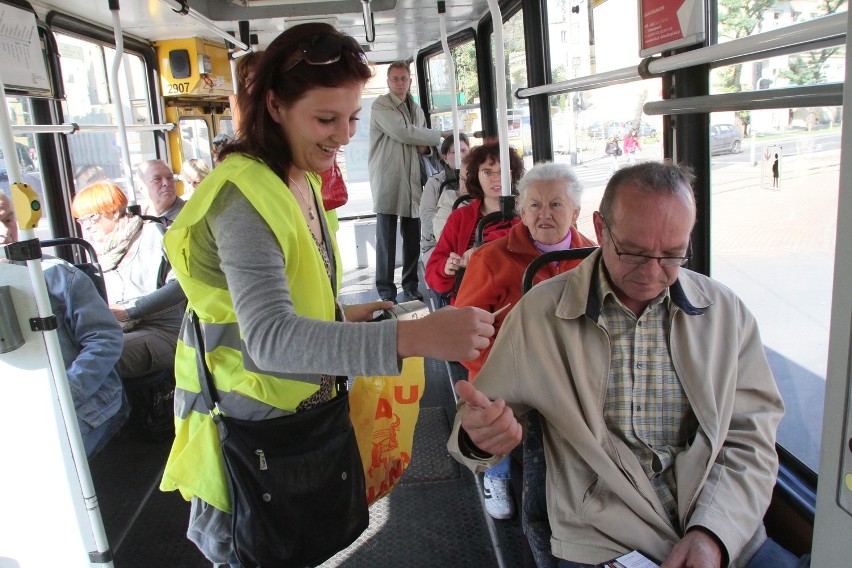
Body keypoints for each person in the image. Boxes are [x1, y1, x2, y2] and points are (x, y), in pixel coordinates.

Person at [156, 23, 495, 566]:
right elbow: (267, 337)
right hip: (251, 428)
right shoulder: (242, 198)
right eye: (325, 119)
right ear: (274, 105)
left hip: (299, 409)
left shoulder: (299, 176)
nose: (342, 136)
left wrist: (339, 313)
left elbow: (286, 291)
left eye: (352, 117)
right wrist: (413, 337)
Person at [449, 161, 801, 567]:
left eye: (672, 255)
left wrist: (713, 534)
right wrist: (479, 436)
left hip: (721, 523)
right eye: (633, 252)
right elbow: (475, 423)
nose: (652, 273)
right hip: (603, 538)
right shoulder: (541, 316)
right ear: (600, 229)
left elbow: (751, 439)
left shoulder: (724, 313)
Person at [453, 162, 596, 524]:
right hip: (509, 370)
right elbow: (465, 331)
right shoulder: (491, 258)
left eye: (556, 205)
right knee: (497, 406)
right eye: (534, 205)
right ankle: (496, 474)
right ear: (521, 210)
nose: (544, 214)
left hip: (573, 372)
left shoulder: (595, 259)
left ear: (576, 212)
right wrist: (507, 369)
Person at [1, 193, 127, 457]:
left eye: (8, 219)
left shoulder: (58, 276)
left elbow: (105, 339)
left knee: (42, 456)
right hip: (19, 406)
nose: (4, 232)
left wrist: (65, 393)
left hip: (86, 400)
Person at [71, 181, 185, 382]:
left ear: (114, 212)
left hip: (164, 330)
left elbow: (180, 286)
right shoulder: (99, 252)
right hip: (120, 329)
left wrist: (128, 311)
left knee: (103, 359)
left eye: (92, 217)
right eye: (81, 221)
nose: (87, 225)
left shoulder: (152, 234)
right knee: (75, 353)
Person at [369, 61, 451, 303]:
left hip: (413, 180)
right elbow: (404, 132)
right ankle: (385, 291)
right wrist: (439, 136)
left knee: (412, 238)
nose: (399, 83)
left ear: (410, 81)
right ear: (388, 82)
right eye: (395, 79)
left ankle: (411, 285)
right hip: (388, 180)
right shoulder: (381, 105)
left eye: (404, 78)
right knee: (386, 239)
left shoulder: (416, 109)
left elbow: (420, 144)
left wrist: (426, 146)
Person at [424, 140, 524, 304]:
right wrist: (448, 267)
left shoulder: (527, 216)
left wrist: (482, 252)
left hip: (516, 298)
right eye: (487, 172)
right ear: (476, 176)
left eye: (502, 172)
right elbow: (433, 272)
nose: (495, 179)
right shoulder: (459, 218)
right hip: (471, 298)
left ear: (512, 175)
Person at [420, 133, 470, 267]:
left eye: (464, 151)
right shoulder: (435, 183)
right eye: (454, 152)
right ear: (445, 157)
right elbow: (426, 216)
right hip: (436, 243)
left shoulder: (477, 182)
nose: (461, 155)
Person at [137, 159, 185, 227]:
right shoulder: (136, 220)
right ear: (141, 187)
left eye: (170, 177)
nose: (166, 183)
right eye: (157, 179)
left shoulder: (192, 215)